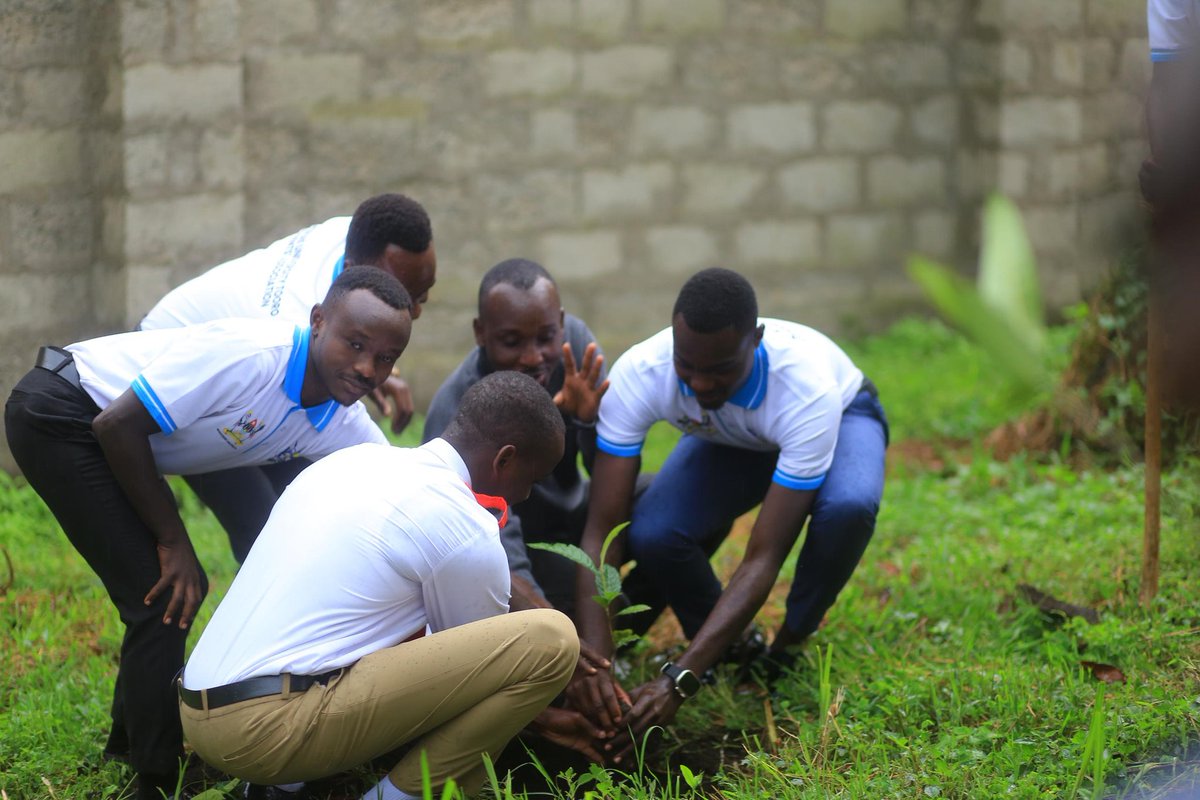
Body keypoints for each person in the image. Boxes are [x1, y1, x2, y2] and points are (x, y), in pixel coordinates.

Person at [5, 266, 414, 800]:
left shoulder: (340, 418)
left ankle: (132, 747)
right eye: (355, 344)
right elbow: (116, 425)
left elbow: (396, 493)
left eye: (385, 358)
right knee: (164, 588)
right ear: (318, 322)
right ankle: (155, 779)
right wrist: (172, 539)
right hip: (61, 411)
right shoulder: (252, 356)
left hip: (106, 434)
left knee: (159, 591)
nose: (367, 368)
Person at [180, 372, 587, 800]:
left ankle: (284, 789)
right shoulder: (464, 526)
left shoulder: (352, 461)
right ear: (504, 460)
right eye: (532, 479)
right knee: (552, 639)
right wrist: (541, 719)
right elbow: (469, 684)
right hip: (268, 731)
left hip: (198, 709)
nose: (525, 495)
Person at [570, 268, 888, 764]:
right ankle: (734, 646)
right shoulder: (643, 373)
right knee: (655, 532)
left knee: (847, 509)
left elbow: (763, 557)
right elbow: (602, 530)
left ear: (755, 341)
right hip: (731, 436)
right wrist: (596, 660)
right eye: (687, 366)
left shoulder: (805, 390)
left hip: (842, 417)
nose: (699, 382)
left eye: (718, 369)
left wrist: (678, 680)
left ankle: (789, 643)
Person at [141, 193, 437, 562]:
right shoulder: (285, 325)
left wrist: (375, 369)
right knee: (265, 527)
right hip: (177, 379)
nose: (417, 310)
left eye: (423, 295)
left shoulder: (355, 233)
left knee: (305, 508)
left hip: (242, 373)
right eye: (408, 298)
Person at [422, 258, 610, 615]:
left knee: (661, 519)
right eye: (511, 341)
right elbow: (491, 546)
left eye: (546, 337)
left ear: (562, 323)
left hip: (578, 510)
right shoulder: (458, 409)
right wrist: (547, 627)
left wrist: (586, 422)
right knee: (570, 595)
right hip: (522, 540)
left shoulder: (576, 355)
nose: (532, 357)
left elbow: (610, 478)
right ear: (481, 333)